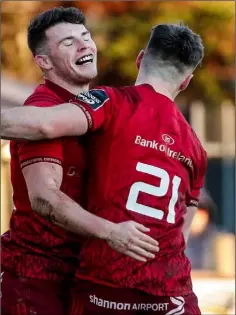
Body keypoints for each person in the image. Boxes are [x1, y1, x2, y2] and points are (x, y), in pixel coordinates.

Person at [1, 23, 207, 314]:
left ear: (139, 58)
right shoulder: (196, 148)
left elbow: (43, 124)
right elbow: (182, 235)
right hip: (171, 294)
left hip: (105, 287)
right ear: (186, 81)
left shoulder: (113, 102)